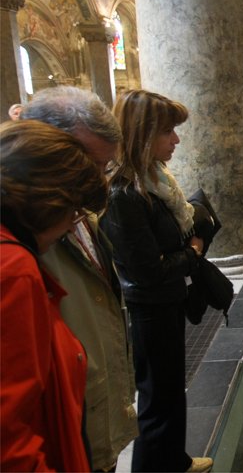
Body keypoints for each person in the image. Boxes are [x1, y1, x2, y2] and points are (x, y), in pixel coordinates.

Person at [22, 86, 138, 471]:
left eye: (104, 168)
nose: (99, 182)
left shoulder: (79, 212)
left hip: (92, 415)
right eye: (87, 164)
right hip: (60, 430)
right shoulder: (22, 246)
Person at [100, 90, 212, 473]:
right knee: (155, 399)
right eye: (168, 132)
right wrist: (193, 252)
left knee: (169, 392)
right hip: (149, 307)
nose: (176, 140)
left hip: (167, 300)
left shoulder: (153, 178)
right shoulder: (124, 193)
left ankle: (174, 460)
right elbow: (149, 271)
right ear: (142, 135)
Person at [1, 119, 108, 472]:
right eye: (73, 211)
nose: (71, 224)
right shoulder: (12, 268)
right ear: (49, 200)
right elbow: (10, 436)